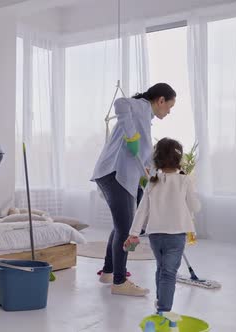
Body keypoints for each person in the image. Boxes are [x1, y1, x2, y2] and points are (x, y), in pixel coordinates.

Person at [91, 83, 176, 296]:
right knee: (127, 229)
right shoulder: (140, 106)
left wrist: (151, 179)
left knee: (122, 225)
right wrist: (131, 136)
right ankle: (120, 283)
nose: (169, 112)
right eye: (169, 107)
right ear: (160, 100)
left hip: (119, 176)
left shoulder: (146, 120)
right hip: (113, 173)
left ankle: (109, 272)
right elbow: (120, 104)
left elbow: (143, 160)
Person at [124, 137, 201, 312]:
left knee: (161, 268)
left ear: (157, 159)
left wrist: (134, 233)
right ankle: (164, 309)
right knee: (169, 272)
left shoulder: (153, 181)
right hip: (176, 236)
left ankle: (159, 301)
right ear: (178, 159)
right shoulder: (184, 180)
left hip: (155, 236)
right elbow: (195, 206)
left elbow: (142, 210)